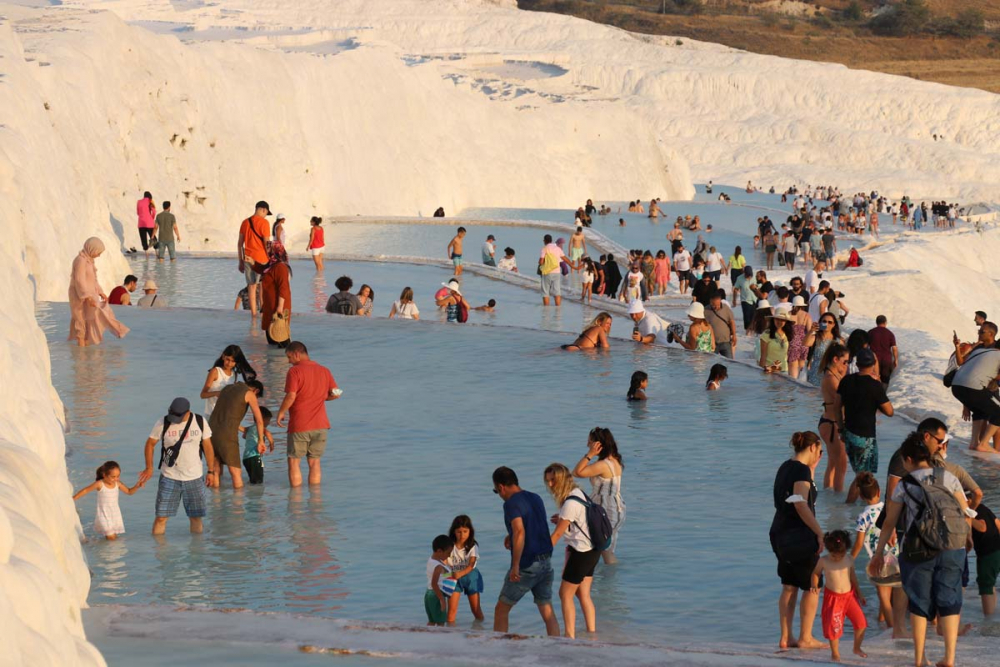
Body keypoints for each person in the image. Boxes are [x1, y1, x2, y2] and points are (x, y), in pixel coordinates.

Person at [870, 434, 971, 667]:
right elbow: (965, 512)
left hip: (918, 550)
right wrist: (966, 539)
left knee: (919, 603)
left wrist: (878, 553)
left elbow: (889, 523)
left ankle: (920, 659)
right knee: (950, 602)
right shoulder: (949, 477)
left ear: (907, 459)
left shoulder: (905, 485)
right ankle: (949, 659)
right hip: (953, 546)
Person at [770, 431, 826, 650]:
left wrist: (812, 471)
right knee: (812, 586)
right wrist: (819, 532)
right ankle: (806, 637)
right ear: (813, 448)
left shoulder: (786, 467)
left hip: (779, 532)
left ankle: (786, 638)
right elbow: (800, 503)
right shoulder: (801, 470)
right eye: (820, 451)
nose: (820, 455)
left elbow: (795, 494)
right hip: (799, 535)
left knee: (789, 585)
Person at [492, 466, 559, 636]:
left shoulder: (510, 504)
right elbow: (536, 526)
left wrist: (515, 566)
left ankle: (496, 652)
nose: (499, 495)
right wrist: (510, 535)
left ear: (501, 487)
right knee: (547, 612)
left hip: (527, 565)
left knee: (501, 610)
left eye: (496, 491)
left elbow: (520, 531)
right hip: (546, 562)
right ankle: (558, 649)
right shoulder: (535, 498)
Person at [138, 397, 216, 535]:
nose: (174, 419)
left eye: (178, 416)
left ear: (188, 412)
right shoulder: (163, 422)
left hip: (194, 478)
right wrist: (149, 467)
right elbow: (150, 444)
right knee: (161, 517)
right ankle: (159, 552)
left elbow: (208, 446)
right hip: (169, 477)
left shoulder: (199, 422)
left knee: (195, 518)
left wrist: (211, 471)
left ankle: (196, 552)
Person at [544, 463, 598, 639]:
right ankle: (592, 634)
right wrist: (561, 519)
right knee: (583, 594)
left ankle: (569, 637)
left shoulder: (569, 503)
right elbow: (577, 522)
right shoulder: (579, 494)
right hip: (593, 549)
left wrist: (542, 553)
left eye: (553, 480)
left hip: (581, 552)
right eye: (548, 481)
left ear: (563, 479)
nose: (550, 485)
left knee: (564, 594)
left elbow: (558, 533)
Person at [276, 342, 341, 487]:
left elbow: (291, 396)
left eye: (289, 357)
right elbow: (337, 393)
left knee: (294, 461)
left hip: (300, 424)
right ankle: (315, 499)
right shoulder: (324, 370)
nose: (289, 361)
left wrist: (281, 412)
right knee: (314, 462)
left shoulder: (294, 371)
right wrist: (322, 397)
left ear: (297, 354)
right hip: (321, 425)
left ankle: (295, 502)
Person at [837, 349, 893, 500]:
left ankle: (860, 507)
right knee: (862, 478)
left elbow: (837, 406)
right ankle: (848, 508)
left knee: (862, 475)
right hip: (865, 437)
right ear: (874, 364)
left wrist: (841, 430)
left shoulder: (846, 381)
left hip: (848, 433)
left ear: (857, 363)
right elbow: (890, 411)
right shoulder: (875, 386)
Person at [851, 472, 899, 628]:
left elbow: (859, 543)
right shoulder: (889, 509)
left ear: (861, 496)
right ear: (879, 492)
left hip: (879, 560)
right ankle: (882, 621)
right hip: (896, 557)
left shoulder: (863, 516)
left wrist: (849, 559)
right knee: (890, 593)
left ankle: (892, 629)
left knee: (883, 596)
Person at [811, 531, 867, 662]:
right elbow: (815, 574)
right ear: (828, 550)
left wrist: (859, 593)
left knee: (861, 623)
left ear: (845, 550)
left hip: (849, 597)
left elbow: (853, 577)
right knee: (834, 628)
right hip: (833, 599)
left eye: (840, 555)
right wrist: (814, 585)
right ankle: (835, 653)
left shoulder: (849, 559)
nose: (837, 558)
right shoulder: (823, 561)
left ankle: (857, 648)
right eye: (834, 555)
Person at [68, 237, 130, 346]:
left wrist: (100, 292)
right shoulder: (80, 261)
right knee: (80, 318)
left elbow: (93, 280)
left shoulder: (89, 261)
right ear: (92, 249)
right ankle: (81, 348)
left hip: (89, 294)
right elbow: (79, 280)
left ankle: (87, 343)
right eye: (98, 252)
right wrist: (87, 296)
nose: (99, 255)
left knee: (94, 316)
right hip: (79, 295)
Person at [208, 379, 265, 489]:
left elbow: (226, 412)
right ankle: (238, 504)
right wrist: (261, 441)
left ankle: (216, 502)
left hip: (210, 430)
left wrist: (240, 428)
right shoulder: (249, 394)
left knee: (215, 469)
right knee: (235, 472)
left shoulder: (226, 388)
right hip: (227, 434)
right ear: (256, 391)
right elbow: (259, 420)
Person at [950, 336, 1000, 452]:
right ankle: (983, 444)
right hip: (974, 387)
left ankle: (974, 442)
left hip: (956, 387)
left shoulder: (979, 351)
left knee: (979, 410)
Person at [72, 460, 144, 540]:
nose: (116, 479)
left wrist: (137, 486)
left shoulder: (118, 484)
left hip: (115, 515)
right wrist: (73, 499)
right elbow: (86, 490)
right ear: (104, 475)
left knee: (114, 538)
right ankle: (109, 551)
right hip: (104, 515)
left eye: (118, 476)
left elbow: (129, 491)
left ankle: (109, 550)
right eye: (113, 477)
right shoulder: (100, 484)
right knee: (111, 538)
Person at [819, 343, 849, 492]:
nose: (846, 365)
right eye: (845, 362)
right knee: (841, 465)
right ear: (836, 359)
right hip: (832, 424)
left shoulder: (834, 374)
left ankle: (829, 496)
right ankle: (837, 503)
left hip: (830, 422)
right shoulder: (830, 378)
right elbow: (845, 397)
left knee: (833, 463)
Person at [445, 515, 485, 624]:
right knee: (451, 612)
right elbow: (444, 562)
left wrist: (460, 573)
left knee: (476, 610)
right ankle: (449, 635)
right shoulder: (449, 546)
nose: (462, 535)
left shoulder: (472, 546)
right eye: (459, 532)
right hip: (453, 577)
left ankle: (480, 630)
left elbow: (471, 565)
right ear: (453, 531)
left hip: (470, 576)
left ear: (470, 532)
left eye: (465, 531)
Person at [200, 345, 257, 418]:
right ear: (223, 356)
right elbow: (203, 395)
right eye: (228, 359)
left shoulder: (234, 374)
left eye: (233, 361)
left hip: (226, 415)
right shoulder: (215, 371)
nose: (229, 364)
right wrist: (216, 393)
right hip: (212, 414)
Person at [238, 201, 272, 317]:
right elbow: (267, 243)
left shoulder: (245, 222)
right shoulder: (264, 223)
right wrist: (271, 258)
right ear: (263, 209)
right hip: (262, 259)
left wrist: (240, 261)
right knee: (263, 285)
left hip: (248, 258)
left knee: (251, 287)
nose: (266, 215)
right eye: (266, 212)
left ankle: (253, 316)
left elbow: (239, 244)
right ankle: (263, 310)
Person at [971, 501, 1000, 616]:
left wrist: (967, 517)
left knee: (986, 586)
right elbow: (998, 524)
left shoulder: (972, 511)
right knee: (990, 584)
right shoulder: (984, 508)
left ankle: (988, 620)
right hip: (997, 547)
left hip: (988, 552)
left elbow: (982, 527)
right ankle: (992, 615)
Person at [261, 246, 292, 347]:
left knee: (280, 339)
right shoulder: (270, 266)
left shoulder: (280, 267)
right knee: (272, 339)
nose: (266, 253)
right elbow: (260, 269)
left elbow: (283, 288)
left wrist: (280, 307)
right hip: (270, 307)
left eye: (269, 251)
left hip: (277, 308)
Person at [426, 535, 454, 626]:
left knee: (432, 621)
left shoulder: (432, 560)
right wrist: (442, 600)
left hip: (429, 594)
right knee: (441, 622)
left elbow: (441, 575)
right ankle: (440, 639)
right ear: (439, 551)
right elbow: (434, 584)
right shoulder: (438, 566)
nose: (449, 555)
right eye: (448, 553)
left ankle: (425, 637)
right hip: (436, 595)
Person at [806, 313, 842, 386]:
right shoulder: (816, 337)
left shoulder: (838, 341)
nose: (827, 324)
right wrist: (811, 331)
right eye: (824, 321)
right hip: (815, 373)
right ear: (820, 323)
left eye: (830, 322)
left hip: (830, 374)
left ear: (834, 325)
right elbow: (805, 343)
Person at [241, 406, 273, 485]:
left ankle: (250, 495)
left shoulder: (250, 428)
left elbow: (244, 436)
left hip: (246, 458)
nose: (269, 423)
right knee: (258, 482)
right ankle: (256, 496)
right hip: (255, 457)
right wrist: (272, 443)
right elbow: (268, 433)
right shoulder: (261, 428)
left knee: (252, 480)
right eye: (268, 420)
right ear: (263, 420)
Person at [787, 296, 816, 381]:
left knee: (792, 375)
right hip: (804, 343)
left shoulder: (788, 314)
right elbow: (810, 331)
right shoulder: (806, 315)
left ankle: (792, 391)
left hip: (792, 343)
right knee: (801, 369)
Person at [705, 289, 737, 358]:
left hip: (726, 341)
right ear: (710, 302)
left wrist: (734, 335)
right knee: (711, 364)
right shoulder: (706, 310)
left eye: (718, 305)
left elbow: (732, 322)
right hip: (712, 343)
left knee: (729, 363)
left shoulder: (726, 308)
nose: (716, 307)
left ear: (720, 301)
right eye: (713, 305)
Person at [868, 315, 898, 387]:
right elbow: (894, 348)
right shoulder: (890, 334)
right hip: (886, 360)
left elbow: (865, 345)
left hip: (874, 360)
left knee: (874, 378)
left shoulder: (871, 332)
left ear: (876, 322)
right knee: (885, 379)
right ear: (885, 322)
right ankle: (883, 394)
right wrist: (896, 360)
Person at [538, 234, 565, 306]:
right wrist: (573, 266)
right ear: (551, 240)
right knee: (557, 292)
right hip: (557, 272)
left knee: (545, 292)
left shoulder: (545, 248)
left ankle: (546, 311)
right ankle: (558, 310)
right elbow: (564, 258)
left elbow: (541, 262)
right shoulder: (558, 248)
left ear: (544, 241)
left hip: (547, 272)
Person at [733, 265, 758, 332]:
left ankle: (752, 330)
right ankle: (747, 331)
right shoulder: (739, 278)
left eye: (750, 275)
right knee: (746, 317)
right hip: (745, 300)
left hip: (754, 299)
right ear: (744, 273)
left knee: (753, 316)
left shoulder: (754, 278)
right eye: (748, 275)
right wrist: (734, 300)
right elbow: (735, 289)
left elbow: (759, 286)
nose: (749, 277)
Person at [136, 191, 156, 256]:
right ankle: (157, 253)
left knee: (143, 239)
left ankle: (146, 255)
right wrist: (151, 218)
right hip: (149, 223)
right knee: (153, 238)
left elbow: (138, 213)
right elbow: (154, 211)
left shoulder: (139, 202)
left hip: (141, 223)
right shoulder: (150, 201)